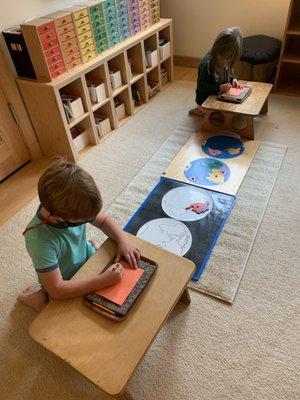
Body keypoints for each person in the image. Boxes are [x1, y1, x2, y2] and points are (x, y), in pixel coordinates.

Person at [18, 159, 140, 312]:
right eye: (82, 221)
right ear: (57, 217)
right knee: (65, 318)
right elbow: (58, 289)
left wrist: (123, 239)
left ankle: (91, 250)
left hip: (85, 257)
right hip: (65, 281)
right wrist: (102, 282)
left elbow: (103, 221)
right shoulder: (39, 240)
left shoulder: (67, 208)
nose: (88, 220)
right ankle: (38, 298)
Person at [189, 26, 243, 117]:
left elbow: (229, 73)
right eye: (229, 56)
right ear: (222, 50)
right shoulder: (207, 64)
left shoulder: (224, 59)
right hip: (205, 101)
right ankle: (200, 110)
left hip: (221, 95)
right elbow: (202, 88)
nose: (229, 60)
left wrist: (233, 79)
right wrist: (219, 88)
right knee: (228, 118)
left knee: (237, 111)